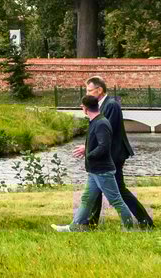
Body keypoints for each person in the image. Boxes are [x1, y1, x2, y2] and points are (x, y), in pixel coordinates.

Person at [54, 94, 140, 231]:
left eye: (82, 106)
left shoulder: (101, 123)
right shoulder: (96, 121)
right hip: (94, 171)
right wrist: (88, 151)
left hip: (102, 171)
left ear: (85, 108)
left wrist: (88, 154)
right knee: (87, 199)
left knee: (116, 200)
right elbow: (98, 145)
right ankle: (73, 227)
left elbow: (104, 147)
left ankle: (129, 228)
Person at [77, 76, 153, 229]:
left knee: (119, 190)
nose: (87, 93)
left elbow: (106, 132)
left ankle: (145, 221)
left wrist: (89, 149)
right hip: (106, 155)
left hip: (114, 155)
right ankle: (90, 222)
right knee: (96, 189)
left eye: (89, 90)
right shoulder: (103, 106)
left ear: (99, 90)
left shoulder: (111, 105)